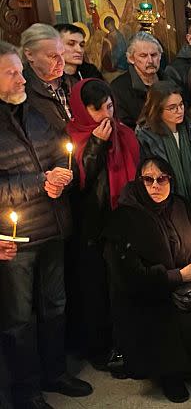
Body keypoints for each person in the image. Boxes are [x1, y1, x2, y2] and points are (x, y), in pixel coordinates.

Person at [0, 40, 92, 409]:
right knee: (19, 318)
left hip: (53, 225)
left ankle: (56, 373)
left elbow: (58, 151)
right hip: (16, 237)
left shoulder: (32, 112)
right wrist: (40, 182)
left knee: (55, 305)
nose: (22, 78)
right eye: (11, 73)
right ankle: (27, 391)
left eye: (20, 71)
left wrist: (61, 174)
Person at [104, 157, 191, 403]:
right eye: (148, 179)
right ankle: (171, 373)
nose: (156, 185)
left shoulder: (179, 205)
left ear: (171, 180)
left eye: (162, 179)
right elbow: (131, 278)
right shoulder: (125, 217)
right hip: (147, 295)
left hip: (184, 286)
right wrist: (178, 275)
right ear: (138, 182)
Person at [65, 78, 139, 368]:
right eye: (97, 111)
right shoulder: (75, 137)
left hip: (122, 223)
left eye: (109, 106)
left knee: (121, 287)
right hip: (91, 229)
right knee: (96, 292)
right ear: (83, 112)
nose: (106, 116)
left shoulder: (126, 134)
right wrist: (97, 143)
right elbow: (79, 183)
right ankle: (101, 349)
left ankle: (126, 342)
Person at [136, 81, 191, 200]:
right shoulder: (146, 137)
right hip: (168, 201)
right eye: (172, 108)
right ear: (158, 110)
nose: (180, 111)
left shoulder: (190, 127)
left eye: (181, 105)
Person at [20, 23, 71, 132]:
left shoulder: (72, 83)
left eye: (62, 54)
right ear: (29, 54)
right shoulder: (20, 93)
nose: (61, 62)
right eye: (53, 56)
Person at [111, 32, 166, 128]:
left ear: (160, 56)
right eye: (143, 56)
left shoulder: (169, 80)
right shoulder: (118, 89)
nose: (150, 61)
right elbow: (124, 128)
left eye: (154, 55)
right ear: (131, 58)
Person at [54, 24, 102, 89]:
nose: (79, 50)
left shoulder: (91, 73)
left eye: (81, 45)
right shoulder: (49, 77)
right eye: (71, 44)